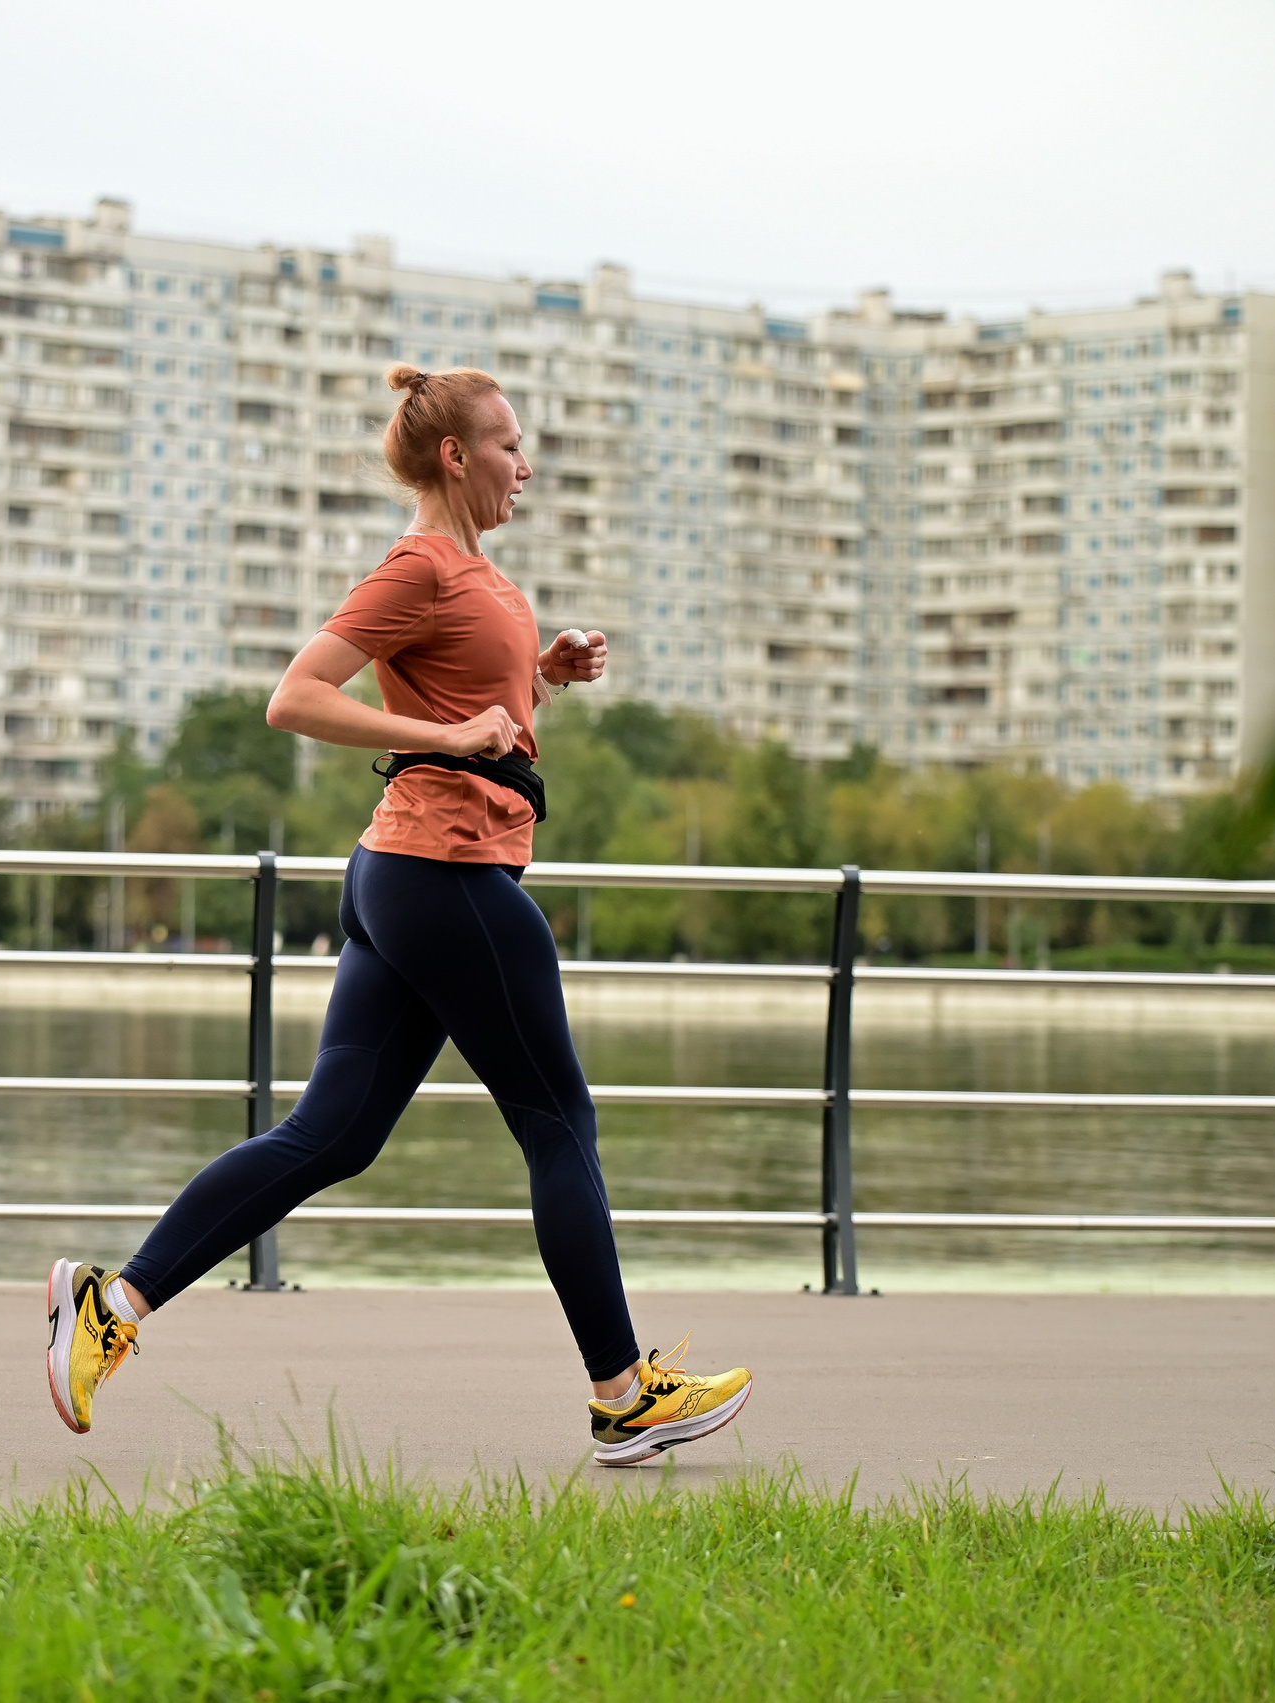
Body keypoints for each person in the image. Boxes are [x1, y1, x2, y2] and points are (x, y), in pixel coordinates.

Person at [46, 365, 751, 1468]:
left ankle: (112, 1303)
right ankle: (622, 1391)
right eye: (510, 444)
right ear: (455, 456)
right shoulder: (419, 566)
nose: (527, 463)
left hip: (403, 874)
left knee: (332, 1135)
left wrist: (543, 678)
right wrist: (446, 739)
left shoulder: (474, 572)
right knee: (559, 1122)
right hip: (445, 874)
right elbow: (297, 695)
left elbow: (476, 704)